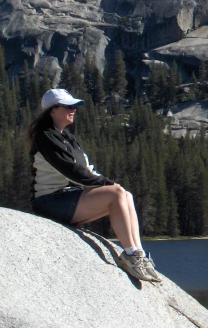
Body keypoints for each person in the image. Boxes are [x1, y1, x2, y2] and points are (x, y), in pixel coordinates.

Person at [29, 88, 161, 283]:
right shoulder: (45, 136)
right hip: (49, 201)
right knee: (116, 194)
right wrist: (106, 183)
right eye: (68, 106)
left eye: (74, 106)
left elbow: (88, 170)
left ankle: (138, 253)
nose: (73, 109)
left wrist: (109, 183)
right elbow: (71, 172)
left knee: (125, 195)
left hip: (66, 198)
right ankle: (130, 254)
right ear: (52, 111)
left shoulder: (67, 138)